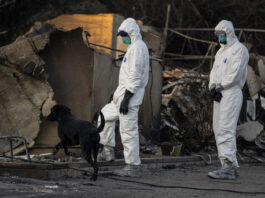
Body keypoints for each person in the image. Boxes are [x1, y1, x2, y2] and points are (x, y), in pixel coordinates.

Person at [97, 18, 149, 178]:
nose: (122, 38)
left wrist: (127, 98)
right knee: (104, 117)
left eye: (124, 34)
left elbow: (136, 76)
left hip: (130, 97)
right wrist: (116, 94)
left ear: (131, 33)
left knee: (128, 131)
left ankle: (133, 165)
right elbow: (126, 77)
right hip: (122, 95)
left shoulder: (139, 48)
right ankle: (107, 151)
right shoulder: (132, 48)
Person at [208, 20, 249, 180]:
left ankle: (230, 165)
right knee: (217, 128)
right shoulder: (220, 52)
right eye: (217, 35)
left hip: (231, 93)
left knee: (226, 128)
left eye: (221, 34)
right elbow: (213, 72)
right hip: (219, 93)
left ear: (229, 33)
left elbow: (235, 74)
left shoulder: (239, 50)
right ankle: (225, 164)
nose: (219, 37)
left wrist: (220, 86)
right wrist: (212, 87)